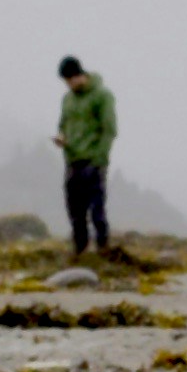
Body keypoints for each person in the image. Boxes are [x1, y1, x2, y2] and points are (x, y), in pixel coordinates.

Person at [54, 56, 116, 257]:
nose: (69, 85)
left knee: (97, 210)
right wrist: (62, 137)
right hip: (72, 161)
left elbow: (109, 130)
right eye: (66, 81)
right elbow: (63, 124)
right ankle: (80, 250)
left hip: (94, 161)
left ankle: (103, 248)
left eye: (71, 79)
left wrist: (99, 159)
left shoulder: (102, 96)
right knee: (75, 211)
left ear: (80, 75)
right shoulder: (67, 99)